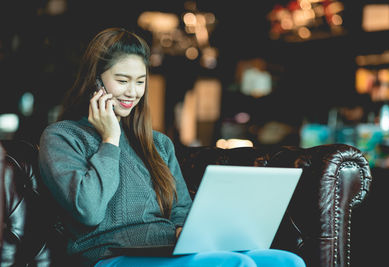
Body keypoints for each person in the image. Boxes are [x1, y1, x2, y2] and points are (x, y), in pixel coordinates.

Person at [38, 27, 306, 267]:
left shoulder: (158, 143)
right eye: (122, 81)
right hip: (108, 256)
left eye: (140, 81)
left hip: (165, 251)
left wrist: (184, 230)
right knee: (235, 264)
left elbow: (181, 211)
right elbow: (89, 210)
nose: (132, 92)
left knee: (286, 261)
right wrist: (110, 139)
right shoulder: (62, 137)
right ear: (96, 82)